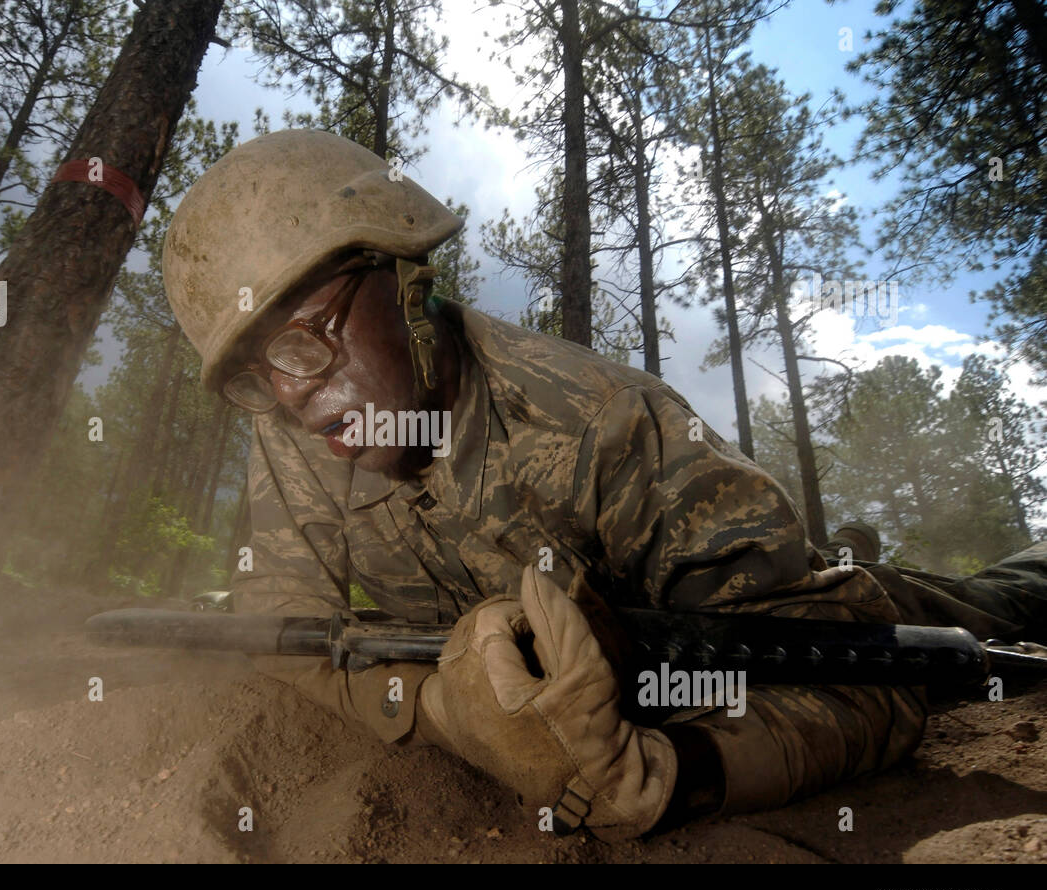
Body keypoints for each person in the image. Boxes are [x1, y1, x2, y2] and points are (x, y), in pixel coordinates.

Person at [162, 129, 1045, 839]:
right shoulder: (299, 422)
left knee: (980, 609)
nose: (287, 391)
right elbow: (276, 630)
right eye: (255, 371)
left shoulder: (612, 425)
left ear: (405, 281)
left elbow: (869, 688)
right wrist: (441, 709)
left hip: (758, 605)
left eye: (304, 337)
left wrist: (672, 774)